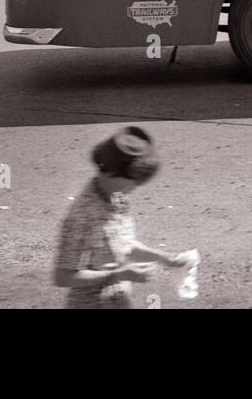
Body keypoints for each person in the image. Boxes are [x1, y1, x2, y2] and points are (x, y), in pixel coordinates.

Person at [53, 126, 191, 309]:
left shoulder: (117, 198)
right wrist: (118, 274)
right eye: (134, 180)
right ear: (113, 172)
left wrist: (163, 257)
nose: (136, 187)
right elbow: (63, 276)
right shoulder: (81, 215)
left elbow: (122, 246)